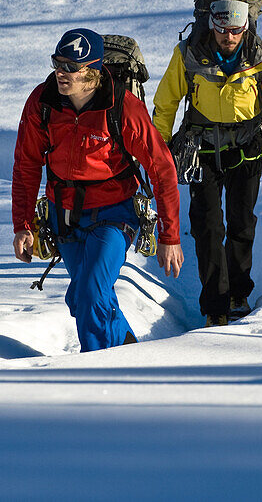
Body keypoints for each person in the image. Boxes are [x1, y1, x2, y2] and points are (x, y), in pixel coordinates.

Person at [12, 28, 183, 351]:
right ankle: (127, 350)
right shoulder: (42, 102)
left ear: (91, 71)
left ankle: (99, 371)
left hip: (115, 212)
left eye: (70, 68)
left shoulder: (123, 107)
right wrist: (22, 225)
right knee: (83, 297)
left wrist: (170, 236)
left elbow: (161, 167)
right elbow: (26, 164)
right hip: (63, 215)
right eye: (57, 64)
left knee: (91, 292)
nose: (61, 73)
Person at [153, 0, 262, 327]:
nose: (228, 36)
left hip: (247, 151)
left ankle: (239, 293)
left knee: (241, 223)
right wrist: (157, 158)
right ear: (210, 22)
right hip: (201, 151)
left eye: (236, 30)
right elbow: (165, 106)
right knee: (206, 227)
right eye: (222, 28)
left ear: (246, 26)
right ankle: (215, 307)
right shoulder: (187, 55)